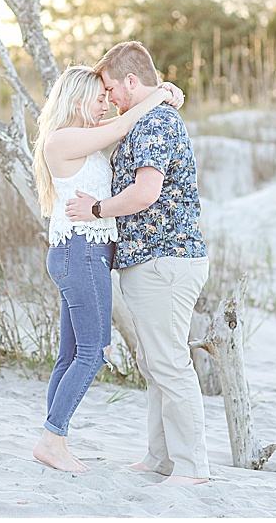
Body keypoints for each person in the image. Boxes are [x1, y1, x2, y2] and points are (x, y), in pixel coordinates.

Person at [65, 41, 210, 486]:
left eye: (111, 88)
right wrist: (165, 90)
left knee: (168, 363)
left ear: (131, 81)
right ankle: (160, 458)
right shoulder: (146, 117)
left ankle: (191, 468)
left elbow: (146, 193)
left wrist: (96, 210)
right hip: (152, 260)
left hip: (165, 260)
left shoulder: (155, 123)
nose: (109, 99)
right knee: (154, 363)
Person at [31, 65, 184, 473]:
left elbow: (121, 123)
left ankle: (54, 438)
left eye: (107, 97)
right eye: (99, 99)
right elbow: (123, 126)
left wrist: (162, 91)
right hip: (81, 252)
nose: (105, 105)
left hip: (82, 252)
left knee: (69, 355)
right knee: (95, 352)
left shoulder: (81, 140)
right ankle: (52, 438)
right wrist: (160, 95)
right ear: (78, 99)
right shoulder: (63, 138)